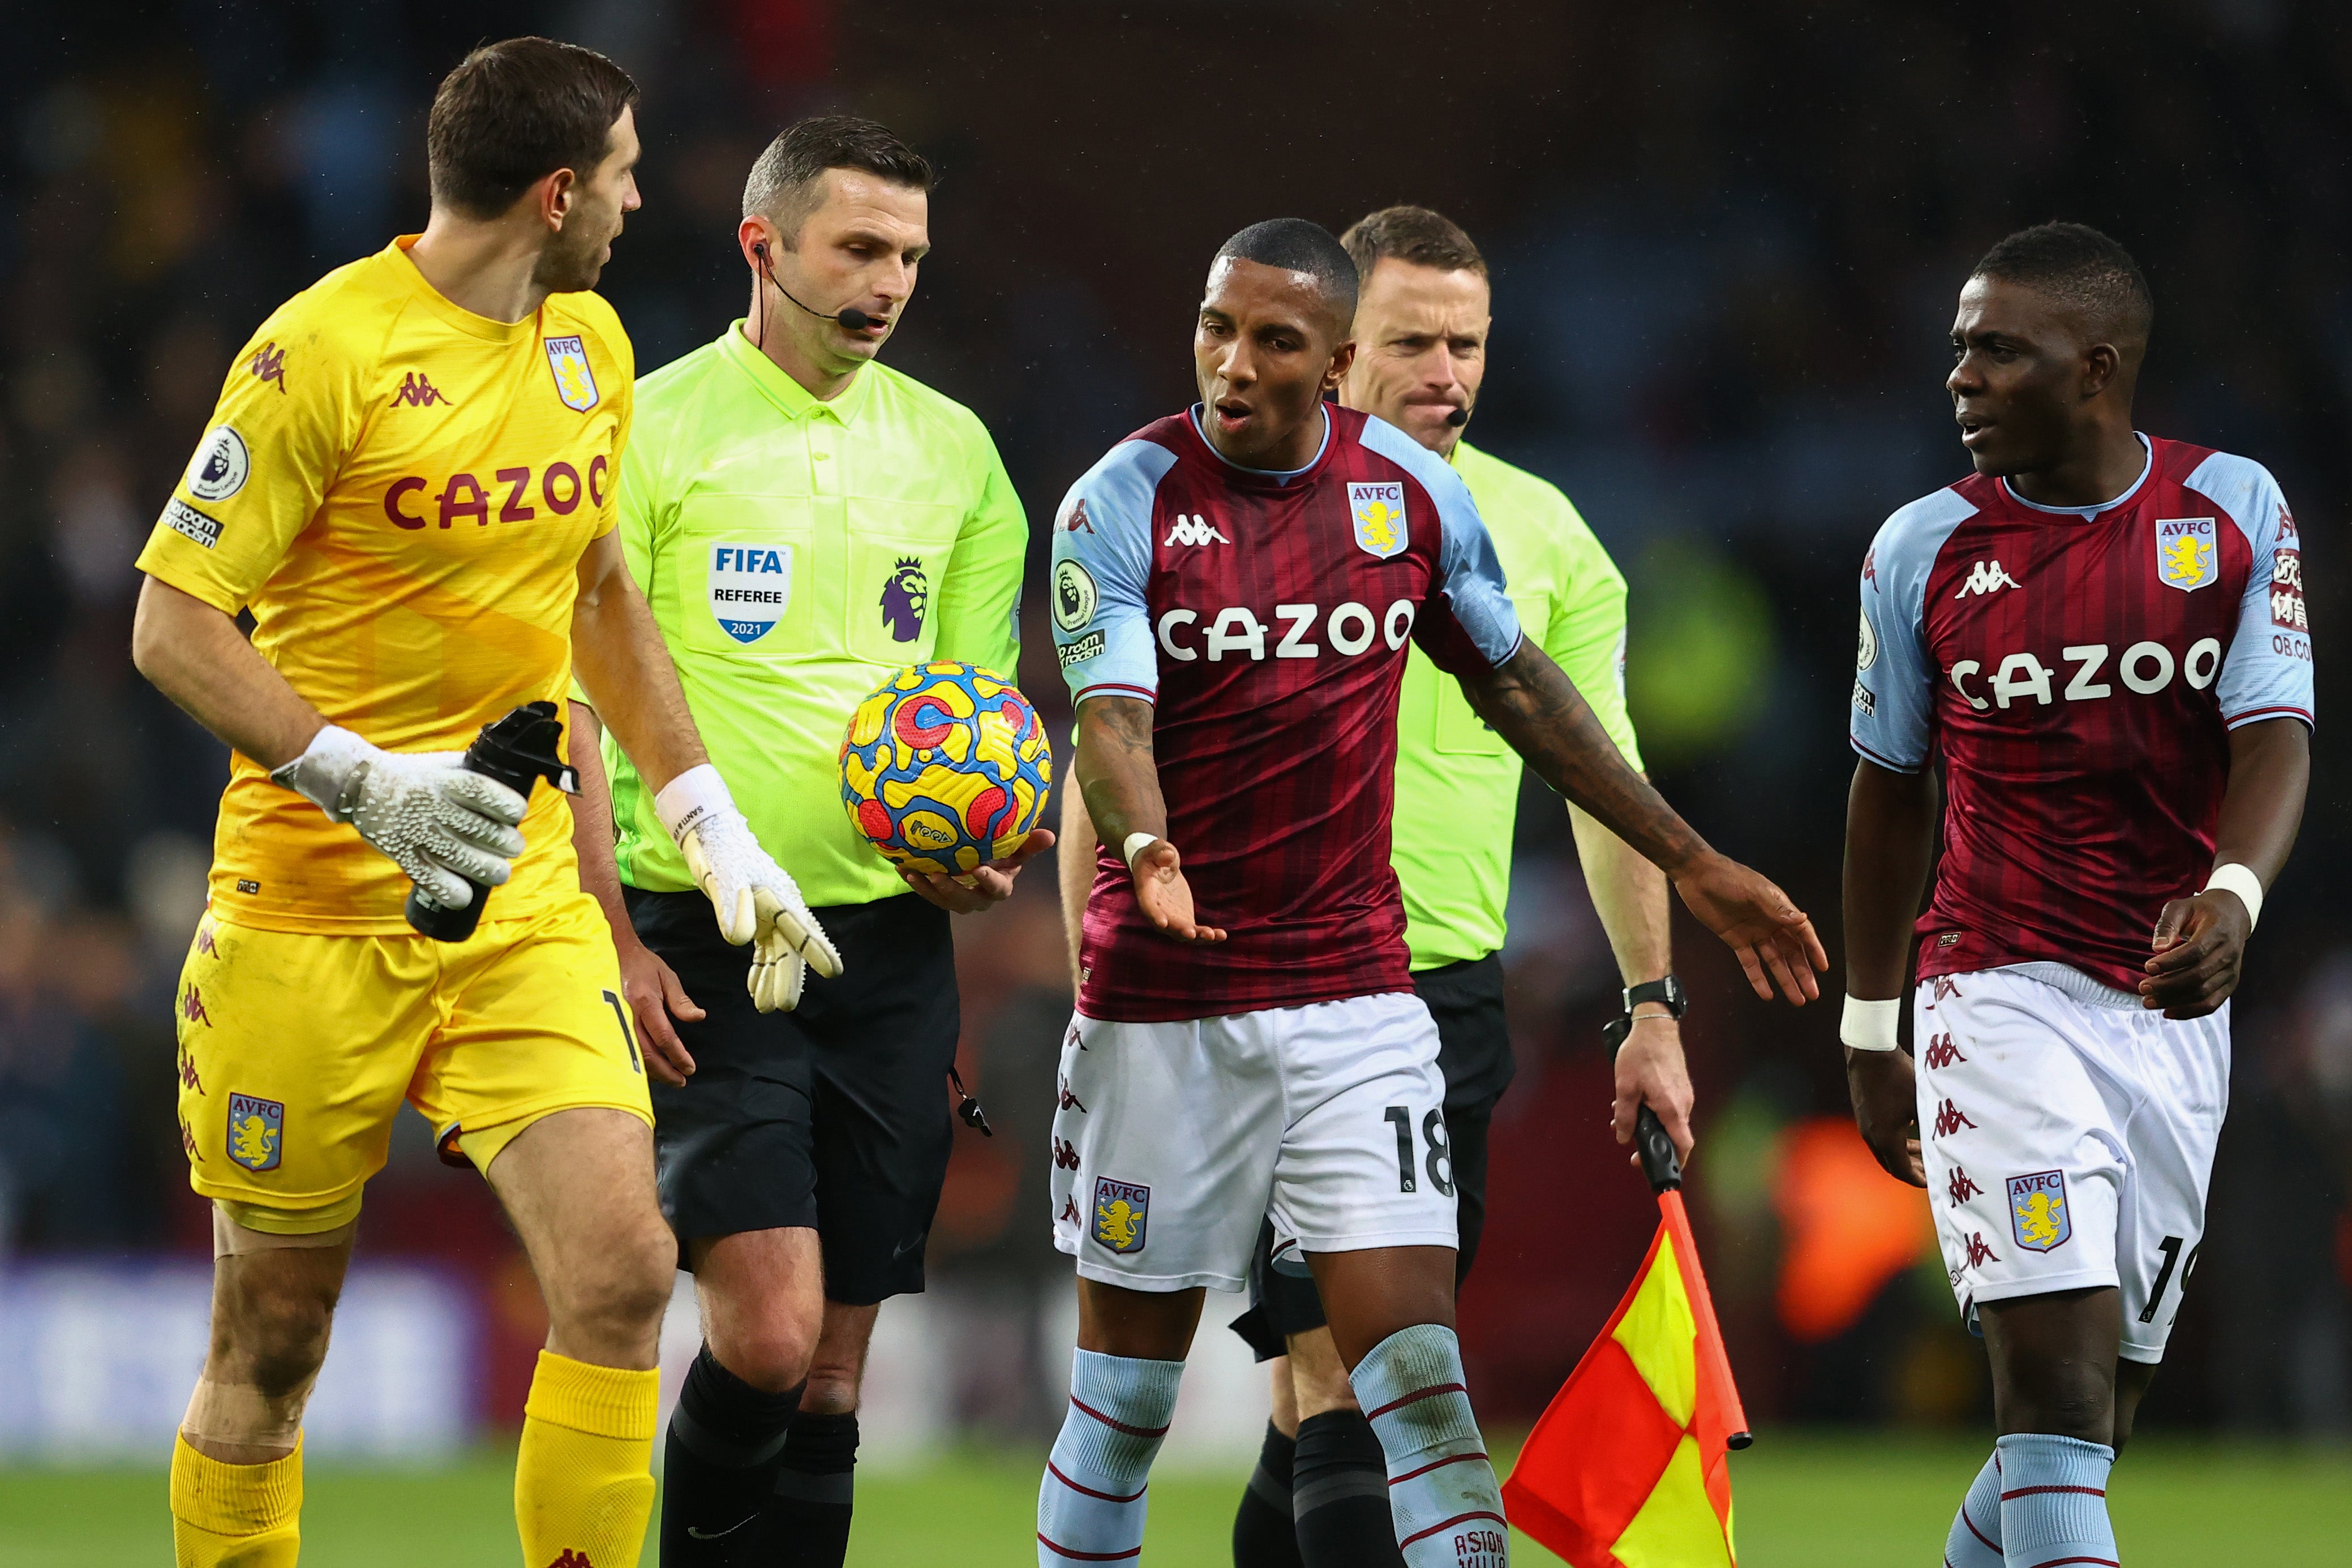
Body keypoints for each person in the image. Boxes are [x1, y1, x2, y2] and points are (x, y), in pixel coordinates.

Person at [129, 38, 839, 1568]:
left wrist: (707, 820)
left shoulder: (590, 347)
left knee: (622, 1270)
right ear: (558, 190)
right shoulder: (322, 350)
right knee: (272, 1347)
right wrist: (358, 781)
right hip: (309, 915)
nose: (645, 202)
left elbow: (595, 594)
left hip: (514, 909)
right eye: (632, 174)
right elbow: (172, 623)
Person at [1037, 217, 1823, 1568]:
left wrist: (1692, 869)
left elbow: (1522, 690)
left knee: (1410, 1386)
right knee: (1126, 1408)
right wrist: (1147, 857)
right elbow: (1106, 722)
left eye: (1270, 339)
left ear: (1324, 359)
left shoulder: (1411, 499)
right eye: (1215, 330)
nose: (1232, 363)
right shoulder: (1122, 496)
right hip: (1166, 1005)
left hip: (1364, 1003)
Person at [565, 115, 1038, 1567]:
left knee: (833, 1378)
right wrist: (611, 935)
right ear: (763, 248)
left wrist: (976, 856)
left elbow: (979, 718)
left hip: (889, 953)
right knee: (764, 1340)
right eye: (858, 248)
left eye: (907, 255)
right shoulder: (644, 428)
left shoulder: (955, 454)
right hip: (705, 937)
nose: (889, 281)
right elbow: (575, 703)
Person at [1844, 222, 2311, 1568]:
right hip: (1992, 989)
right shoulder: (1917, 550)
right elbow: (1885, 798)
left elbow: (2273, 728)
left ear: (2094, 368)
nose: (1961, 378)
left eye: (1999, 351)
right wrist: (1868, 1032)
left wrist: (2230, 898)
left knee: (2094, 1417)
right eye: (1957, 350)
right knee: (2046, 1391)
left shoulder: (2228, 508)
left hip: (2167, 1011)